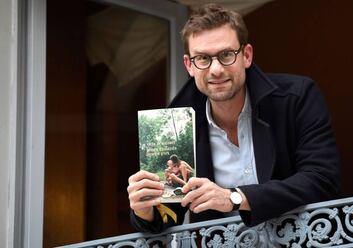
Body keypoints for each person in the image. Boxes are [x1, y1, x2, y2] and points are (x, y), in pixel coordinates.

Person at [127, 3, 340, 233]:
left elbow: (321, 179)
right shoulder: (175, 122)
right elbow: (168, 216)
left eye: (226, 54)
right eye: (203, 58)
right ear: (189, 65)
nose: (216, 69)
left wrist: (236, 198)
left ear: (246, 55)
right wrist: (144, 210)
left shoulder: (297, 97)